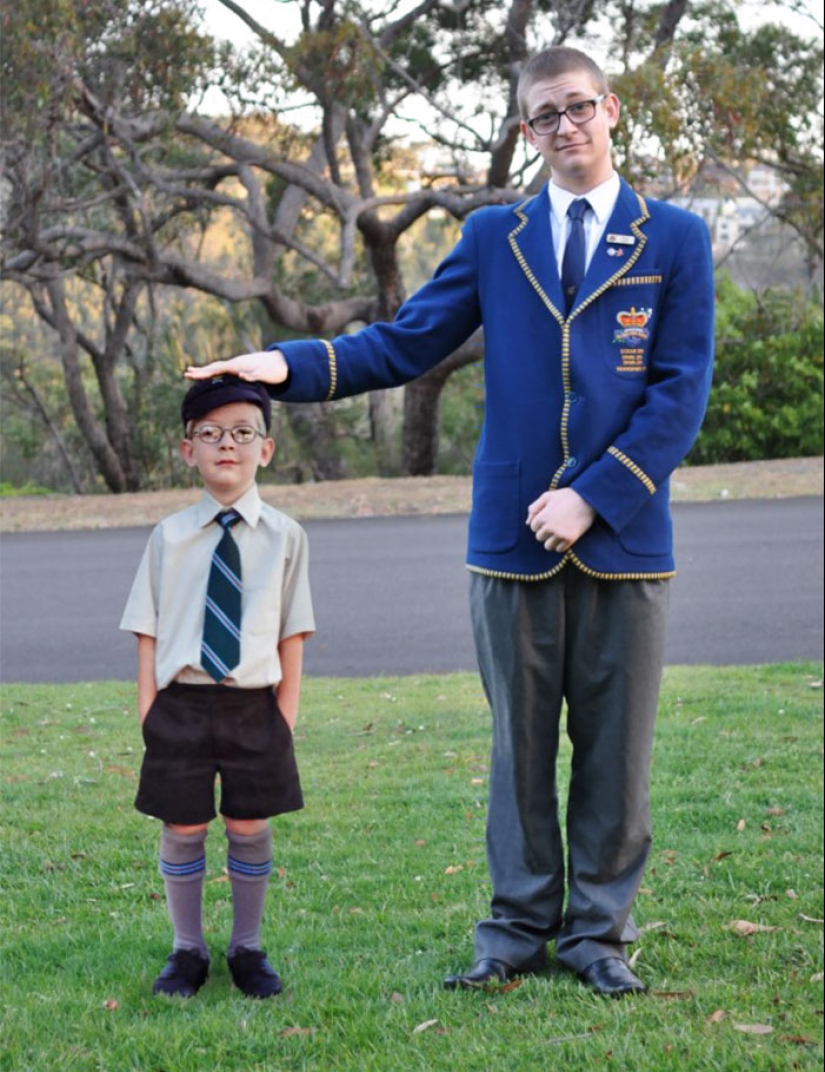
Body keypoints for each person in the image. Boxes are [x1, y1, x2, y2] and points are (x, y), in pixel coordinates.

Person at [185, 45, 714, 997]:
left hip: (626, 539)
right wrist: (285, 366)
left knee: (616, 754)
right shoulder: (494, 236)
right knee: (518, 754)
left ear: (610, 110)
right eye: (545, 114)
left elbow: (680, 394)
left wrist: (593, 495)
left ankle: (598, 935)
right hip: (509, 542)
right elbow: (403, 343)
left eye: (578, 107)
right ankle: (513, 930)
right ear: (526, 131)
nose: (565, 126)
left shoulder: (673, 237)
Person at [120, 375, 315, 999]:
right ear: (188, 450)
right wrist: (149, 710)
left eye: (242, 432)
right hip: (180, 702)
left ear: (266, 449)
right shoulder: (168, 536)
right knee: (182, 826)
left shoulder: (286, 536)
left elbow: (293, 631)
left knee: (249, 823)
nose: (226, 444)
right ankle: (188, 950)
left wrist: (284, 715)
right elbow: (147, 628)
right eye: (210, 433)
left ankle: (246, 948)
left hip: (255, 704)